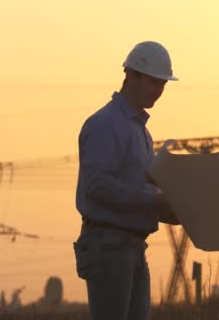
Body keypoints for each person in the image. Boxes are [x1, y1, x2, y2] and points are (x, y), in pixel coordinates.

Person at [73, 41, 179, 320]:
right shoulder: (106, 124)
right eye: (153, 82)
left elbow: (140, 193)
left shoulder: (141, 133)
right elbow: (96, 187)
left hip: (131, 246)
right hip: (108, 246)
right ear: (130, 75)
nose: (158, 90)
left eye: (162, 84)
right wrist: (156, 201)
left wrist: (173, 208)